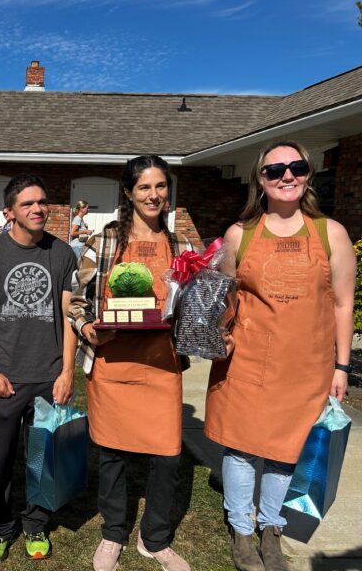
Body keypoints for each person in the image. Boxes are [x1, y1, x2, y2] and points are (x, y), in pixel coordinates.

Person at [204, 141, 355, 571]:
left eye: (296, 167)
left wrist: (341, 365)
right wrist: (216, 335)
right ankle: (241, 529)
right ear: (261, 180)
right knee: (241, 449)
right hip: (248, 361)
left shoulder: (332, 233)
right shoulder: (240, 235)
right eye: (275, 171)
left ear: (308, 172)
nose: (287, 176)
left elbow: (343, 304)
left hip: (307, 366)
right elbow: (223, 301)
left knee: (287, 450)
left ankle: (271, 528)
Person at [68, 155, 193, 571]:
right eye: (144, 187)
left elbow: (193, 306)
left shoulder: (182, 247)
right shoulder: (102, 242)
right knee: (113, 456)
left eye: (160, 186)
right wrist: (88, 329)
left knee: (168, 457)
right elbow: (74, 300)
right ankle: (113, 533)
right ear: (128, 192)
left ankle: (154, 539)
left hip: (162, 365)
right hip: (114, 365)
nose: (153, 195)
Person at [0, 173, 77, 563]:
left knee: (42, 458)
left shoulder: (62, 253)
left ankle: (35, 525)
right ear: (10, 211)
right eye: (28, 203)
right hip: (5, 379)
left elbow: (68, 317)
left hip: (48, 376)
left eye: (42, 202)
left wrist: (67, 373)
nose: (38, 209)